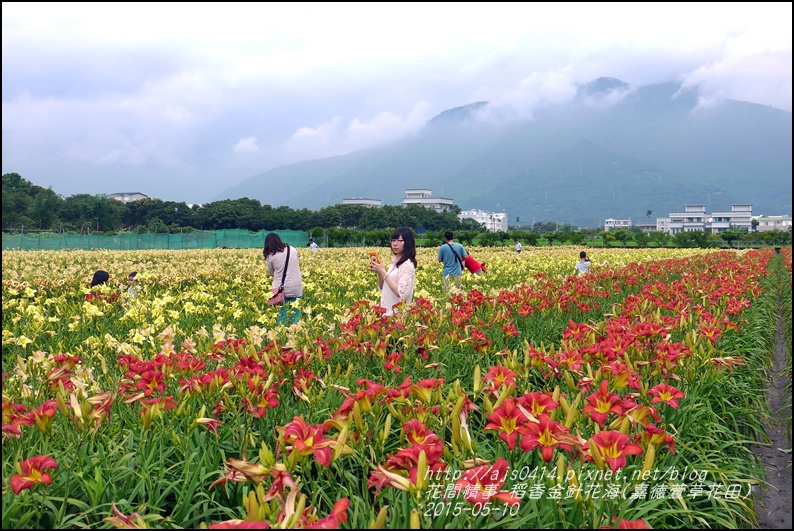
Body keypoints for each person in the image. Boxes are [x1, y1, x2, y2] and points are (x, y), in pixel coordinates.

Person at [370, 227, 416, 315]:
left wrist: (383, 272)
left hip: (397, 315)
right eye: (393, 240)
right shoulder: (394, 262)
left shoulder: (407, 265)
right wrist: (380, 272)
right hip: (387, 312)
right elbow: (383, 287)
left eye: (399, 241)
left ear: (407, 243)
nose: (395, 244)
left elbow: (401, 292)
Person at [263, 233, 304, 325]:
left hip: (280, 290)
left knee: (281, 314)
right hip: (296, 286)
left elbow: (271, 273)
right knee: (296, 313)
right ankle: (295, 333)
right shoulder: (292, 249)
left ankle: (281, 334)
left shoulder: (271, 255)